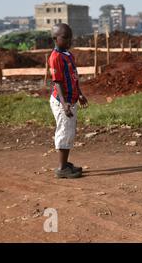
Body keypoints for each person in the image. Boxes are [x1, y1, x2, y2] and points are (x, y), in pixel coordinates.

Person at [48, 23, 88, 179]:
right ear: (55, 38)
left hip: (71, 100)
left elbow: (73, 78)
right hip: (62, 102)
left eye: (70, 37)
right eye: (65, 37)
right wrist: (64, 104)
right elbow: (57, 82)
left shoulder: (69, 55)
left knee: (69, 132)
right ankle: (62, 168)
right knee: (64, 132)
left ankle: (65, 163)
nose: (69, 40)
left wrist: (79, 94)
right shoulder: (55, 57)